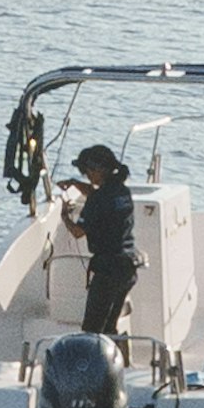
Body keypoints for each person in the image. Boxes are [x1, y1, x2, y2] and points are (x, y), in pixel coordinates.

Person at [64, 141, 141, 344]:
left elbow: (77, 231)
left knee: (92, 328)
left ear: (97, 170)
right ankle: (120, 363)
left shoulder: (97, 199)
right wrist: (76, 184)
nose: (86, 176)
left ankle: (93, 368)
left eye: (87, 172)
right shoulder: (122, 191)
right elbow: (100, 195)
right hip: (127, 268)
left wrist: (65, 215)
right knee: (110, 326)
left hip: (108, 271)